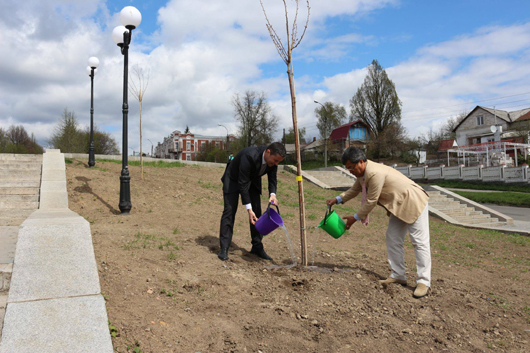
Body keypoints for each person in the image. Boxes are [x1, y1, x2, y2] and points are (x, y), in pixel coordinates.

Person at [326, 147, 431, 298]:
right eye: (347, 168)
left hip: (413, 201)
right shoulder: (363, 174)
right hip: (398, 204)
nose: (350, 171)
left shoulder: (374, 173)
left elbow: (371, 201)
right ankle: (398, 275)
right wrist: (337, 199)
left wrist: (354, 218)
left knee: (419, 242)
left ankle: (423, 281)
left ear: (361, 162)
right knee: (393, 238)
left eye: (351, 167)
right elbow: (354, 190)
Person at [218, 142, 286, 261]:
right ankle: (224, 248)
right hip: (233, 179)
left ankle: (257, 247)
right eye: (275, 161)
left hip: (252, 181)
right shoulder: (249, 156)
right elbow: (242, 183)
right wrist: (248, 209)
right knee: (229, 211)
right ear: (268, 152)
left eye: (278, 162)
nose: (275, 164)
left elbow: (272, 179)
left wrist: (273, 194)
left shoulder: (273, 161)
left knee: (257, 214)